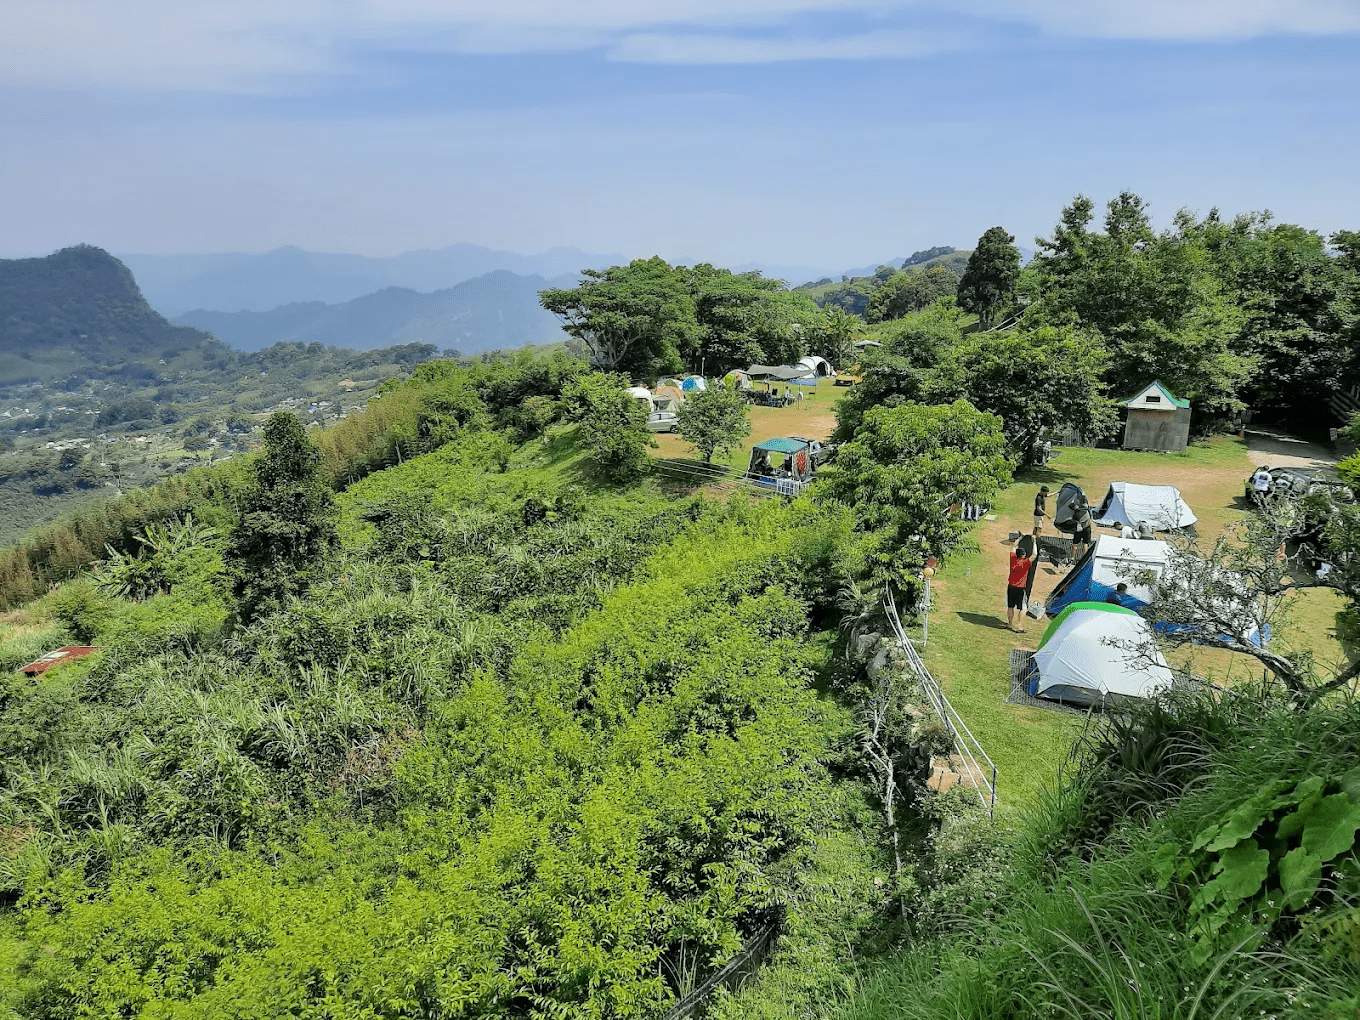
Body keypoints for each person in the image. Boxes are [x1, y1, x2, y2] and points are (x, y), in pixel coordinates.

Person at [1006, 538, 1033, 633]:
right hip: (1020, 588)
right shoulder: (1026, 563)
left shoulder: (1013, 559)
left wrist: (1020, 538)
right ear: (1024, 555)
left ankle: (1009, 624)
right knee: (1023, 608)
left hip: (1011, 586)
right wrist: (1034, 542)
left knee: (1010, 606)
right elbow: (1035, 554)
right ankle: (1019, 625)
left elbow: (1013, 546)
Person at [1070, 497, 1094, 563]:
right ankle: (1084, 558)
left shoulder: (1076, 515)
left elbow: (1070, 505)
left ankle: (1072, 558)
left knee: (1075, 544)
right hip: (1087, 528)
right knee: (1085, 544)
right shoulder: (1087, 511)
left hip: (1078, 530)